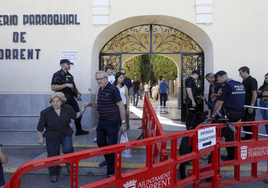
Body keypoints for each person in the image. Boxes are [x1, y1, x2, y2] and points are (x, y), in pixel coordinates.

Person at [37, 92, 88, 183]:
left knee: (68, 148)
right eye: (53, 102)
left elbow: (75, 116)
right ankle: (53, 173)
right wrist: (40, 138)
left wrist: (82, 110)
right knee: (53, 155)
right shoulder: (46, 112)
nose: (55, 103)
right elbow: (40, 127)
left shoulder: (67, 108)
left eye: (57, 101)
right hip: (51, 134)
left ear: (62, 101)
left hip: (65, 132)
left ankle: (68, 163)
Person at [85, 71, 127, 178]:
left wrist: (123, 123)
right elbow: (100, 104)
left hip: (112, 122)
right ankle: (109, 160)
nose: (99, 81)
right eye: (97, 79)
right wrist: (90, 104)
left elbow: (121, 106)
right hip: (102, 122)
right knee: (100, 142)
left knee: (111, 146)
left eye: (100, 79)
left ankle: (110, 172)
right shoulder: (100, 90)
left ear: (106, 78)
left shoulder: (113, 90)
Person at [208, 70, 245, 161]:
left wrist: (212, 116)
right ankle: (231, 156)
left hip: (227, 115)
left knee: (217, 135)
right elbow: (233, 97)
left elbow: (219, 103)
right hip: (239, 113)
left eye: (218, 79)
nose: (217, 82)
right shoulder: (239, 84)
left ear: (222, 77)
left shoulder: (225, 87)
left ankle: (212, 159)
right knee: (229, 135)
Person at [51, 59, 89, 136]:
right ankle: (60, 131)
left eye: (69, 64)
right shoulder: (57, 74)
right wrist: (66, 85)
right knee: (62, 116)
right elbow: (53, 87)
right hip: (62, 98)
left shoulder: (70, 75)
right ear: (62, 65)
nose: (69, 65)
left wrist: (78, 94)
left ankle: (79, 130)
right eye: (67, 64)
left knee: (78, 113)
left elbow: (73, 86)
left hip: (71, 97)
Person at [238, 66, 258, 140]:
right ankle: (247, 135)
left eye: (241, 73)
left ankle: (251, 137)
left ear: (245, 72)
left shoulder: (252, 80)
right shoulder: (244, 81)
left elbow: (254, 93)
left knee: (250, 121)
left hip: (249, 105)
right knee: (244, 121)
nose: (240, 75)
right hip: (244, 105)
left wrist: (251, 106)